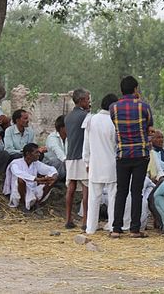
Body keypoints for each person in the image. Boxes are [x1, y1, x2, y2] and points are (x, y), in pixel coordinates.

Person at [110, 76, 154, 238]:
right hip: (140, 154)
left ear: (121, 90)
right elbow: (149, 125)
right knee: (137, 191)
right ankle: (135, 229)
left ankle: (116, 228)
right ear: (135, 89)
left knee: (121, 191)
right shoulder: (144, 107)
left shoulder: (113, 108)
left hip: (122, 154)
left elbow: (115, 124)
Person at [83, 93, 119, 234]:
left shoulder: (91, 120)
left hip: (95, 164)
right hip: (111, 164)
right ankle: (112, 225)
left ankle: (90, 228)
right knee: (112, 196)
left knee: (94, 197)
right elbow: (116, 145)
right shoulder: (114, 122)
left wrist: (86, 161)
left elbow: (86, 144)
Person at [3, 143, 58, 212]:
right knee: (20, 180)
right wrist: (37, 179)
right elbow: (18, 173)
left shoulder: (36, 163)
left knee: (51, 181)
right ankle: (23, 204)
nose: (39, 154)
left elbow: (51, 169)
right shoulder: (15, 163)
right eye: (36, 152)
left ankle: (37, 203)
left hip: (33, 191)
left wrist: (54, 176)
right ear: (28, 154)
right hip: (19, 193)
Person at [64, 88, 90, 230]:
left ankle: (68, 218)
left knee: (71, 187)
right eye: (87, 99)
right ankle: (85, 220)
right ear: (81, 100)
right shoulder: (86, 116)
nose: (89, 101)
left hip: (70, 156)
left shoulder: (68, 117)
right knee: (86, 188)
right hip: (83, 156)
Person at [44, 115, 67, 180]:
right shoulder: (52, 138)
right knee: (59, 162)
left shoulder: (69, 137)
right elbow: (58, 152)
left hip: (64, 164)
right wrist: (67, 162)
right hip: (51, 164)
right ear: (62, 128)